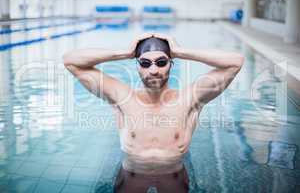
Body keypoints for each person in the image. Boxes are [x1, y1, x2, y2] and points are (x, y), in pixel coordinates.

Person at [63, 33, 244, 192]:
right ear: (137, 65)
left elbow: (235, 62)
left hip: (174, 177)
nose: (154, 70)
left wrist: (180, 51)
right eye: (145, 63)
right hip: (130, 177)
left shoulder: (190, 99)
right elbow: (71, 61)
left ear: (171, 64)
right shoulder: (122, 98)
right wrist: (125, 53)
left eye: (161, 62)